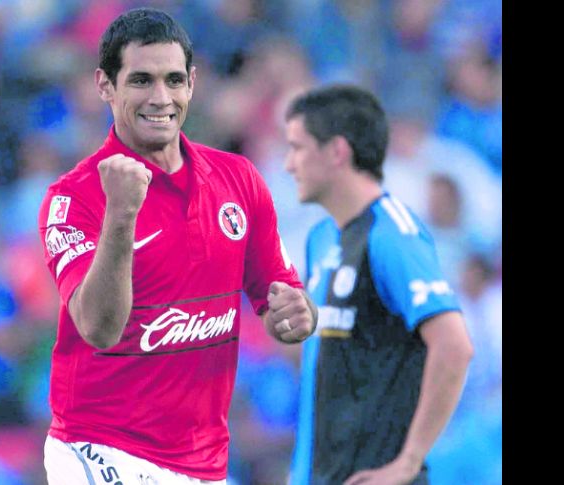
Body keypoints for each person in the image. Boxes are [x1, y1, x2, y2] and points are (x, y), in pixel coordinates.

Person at [37, 8, 317, 485]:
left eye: (173, 80)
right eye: (141, 80)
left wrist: (297, 313)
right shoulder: (74, 197)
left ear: (192, 82)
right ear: (105, 85)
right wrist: (121, 215)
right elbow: (99, 329)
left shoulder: (239, 179)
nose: (160, 97)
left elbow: (280, 303)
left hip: (203, 463)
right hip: (100, 449)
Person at [282, 85, 474, 485]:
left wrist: (408, 463)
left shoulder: (391, 234)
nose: (288, 164)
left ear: (337, 151)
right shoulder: (321, 238)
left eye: (298, 148)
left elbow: (454, 346)